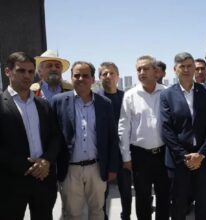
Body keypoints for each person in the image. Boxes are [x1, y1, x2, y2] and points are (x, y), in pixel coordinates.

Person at [52, 61, 119, 220]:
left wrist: (112, 167)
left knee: (97, 212)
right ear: (71, 77)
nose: (81, 78)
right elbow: (53, 136)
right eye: (77, 75)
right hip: (70, 169)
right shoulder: (58, 102)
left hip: (96, 168)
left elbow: (112, 138)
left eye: (85, 75)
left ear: (93, 78)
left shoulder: (104, 104)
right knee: (72, 214)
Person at [0, 52, 63, 220]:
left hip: (44, 180)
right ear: (8, 72)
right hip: (11, 183)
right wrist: (27, 167)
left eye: (30, 71)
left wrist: (46, 161)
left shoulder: (43, 105)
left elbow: (55, 137)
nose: (27, 76)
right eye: (21, 71)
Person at [160, 52, 206, 220]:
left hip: (202, 159)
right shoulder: (166, 95)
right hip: (178, 160)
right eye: (182, 66)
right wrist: (184, 156)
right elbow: (166, 129)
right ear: (174, 69)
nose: (186, 69)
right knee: (178, 204)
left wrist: (200, 154)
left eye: (189, 66)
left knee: (202, 202)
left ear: (194, 68)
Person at [119, 56, 170, 220]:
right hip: (140, 155)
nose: (141, 72)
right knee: (142, 198)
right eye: (139, 69)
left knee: (164, 196)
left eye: (145, 68)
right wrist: (126, 156)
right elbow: (124, 127)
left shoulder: (167, 93)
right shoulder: (130, 95)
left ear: (156, 71)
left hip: (163, 154)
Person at [98, 62, 132, 220]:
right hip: (103, 154)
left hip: (122, 152)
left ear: (118, 76)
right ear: (99, 77)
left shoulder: (126, 97)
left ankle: (126, 216)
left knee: (126, 190)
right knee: (102, 192)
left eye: (112, 73)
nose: (108, 76)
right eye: (104, 74)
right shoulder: (95, 99)